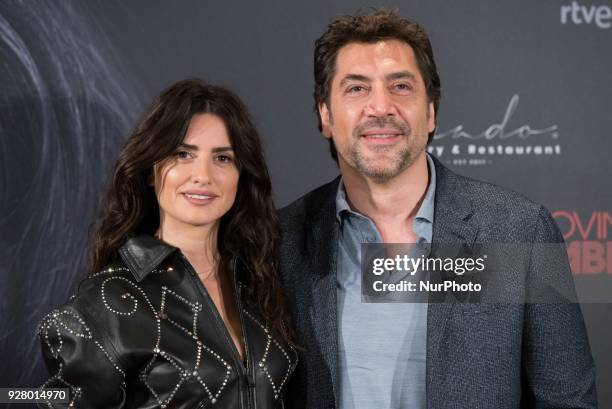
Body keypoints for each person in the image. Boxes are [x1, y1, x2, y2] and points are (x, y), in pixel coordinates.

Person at [279, 10, 597, 409]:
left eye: (400, 86)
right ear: (325, 115)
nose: (381, 107)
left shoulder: (521, 231)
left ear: (430, 111)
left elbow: (568, 400)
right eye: (357, 89)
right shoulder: (282, 242)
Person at [37, 79, 297, 409]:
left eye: (222, 158)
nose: (203, 175)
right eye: (182, 154)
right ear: (150, 169)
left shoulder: (261, 280)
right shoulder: (106, 303)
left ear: (241, 175)